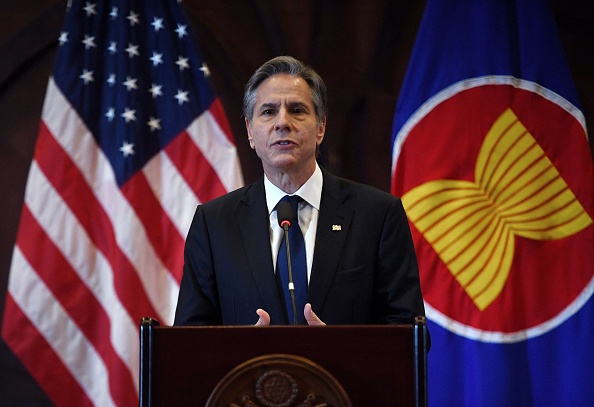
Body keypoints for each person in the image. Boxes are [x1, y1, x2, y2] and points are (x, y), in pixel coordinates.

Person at [174, 55, 426, 327]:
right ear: (249, 131)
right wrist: (240, 351)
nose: (283, 122)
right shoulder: (214, 225)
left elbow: (409, 334)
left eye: (297, 110)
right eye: (268, 111)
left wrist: (345, 350)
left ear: (320, 128)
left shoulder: (377, 215)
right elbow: (189, 342)